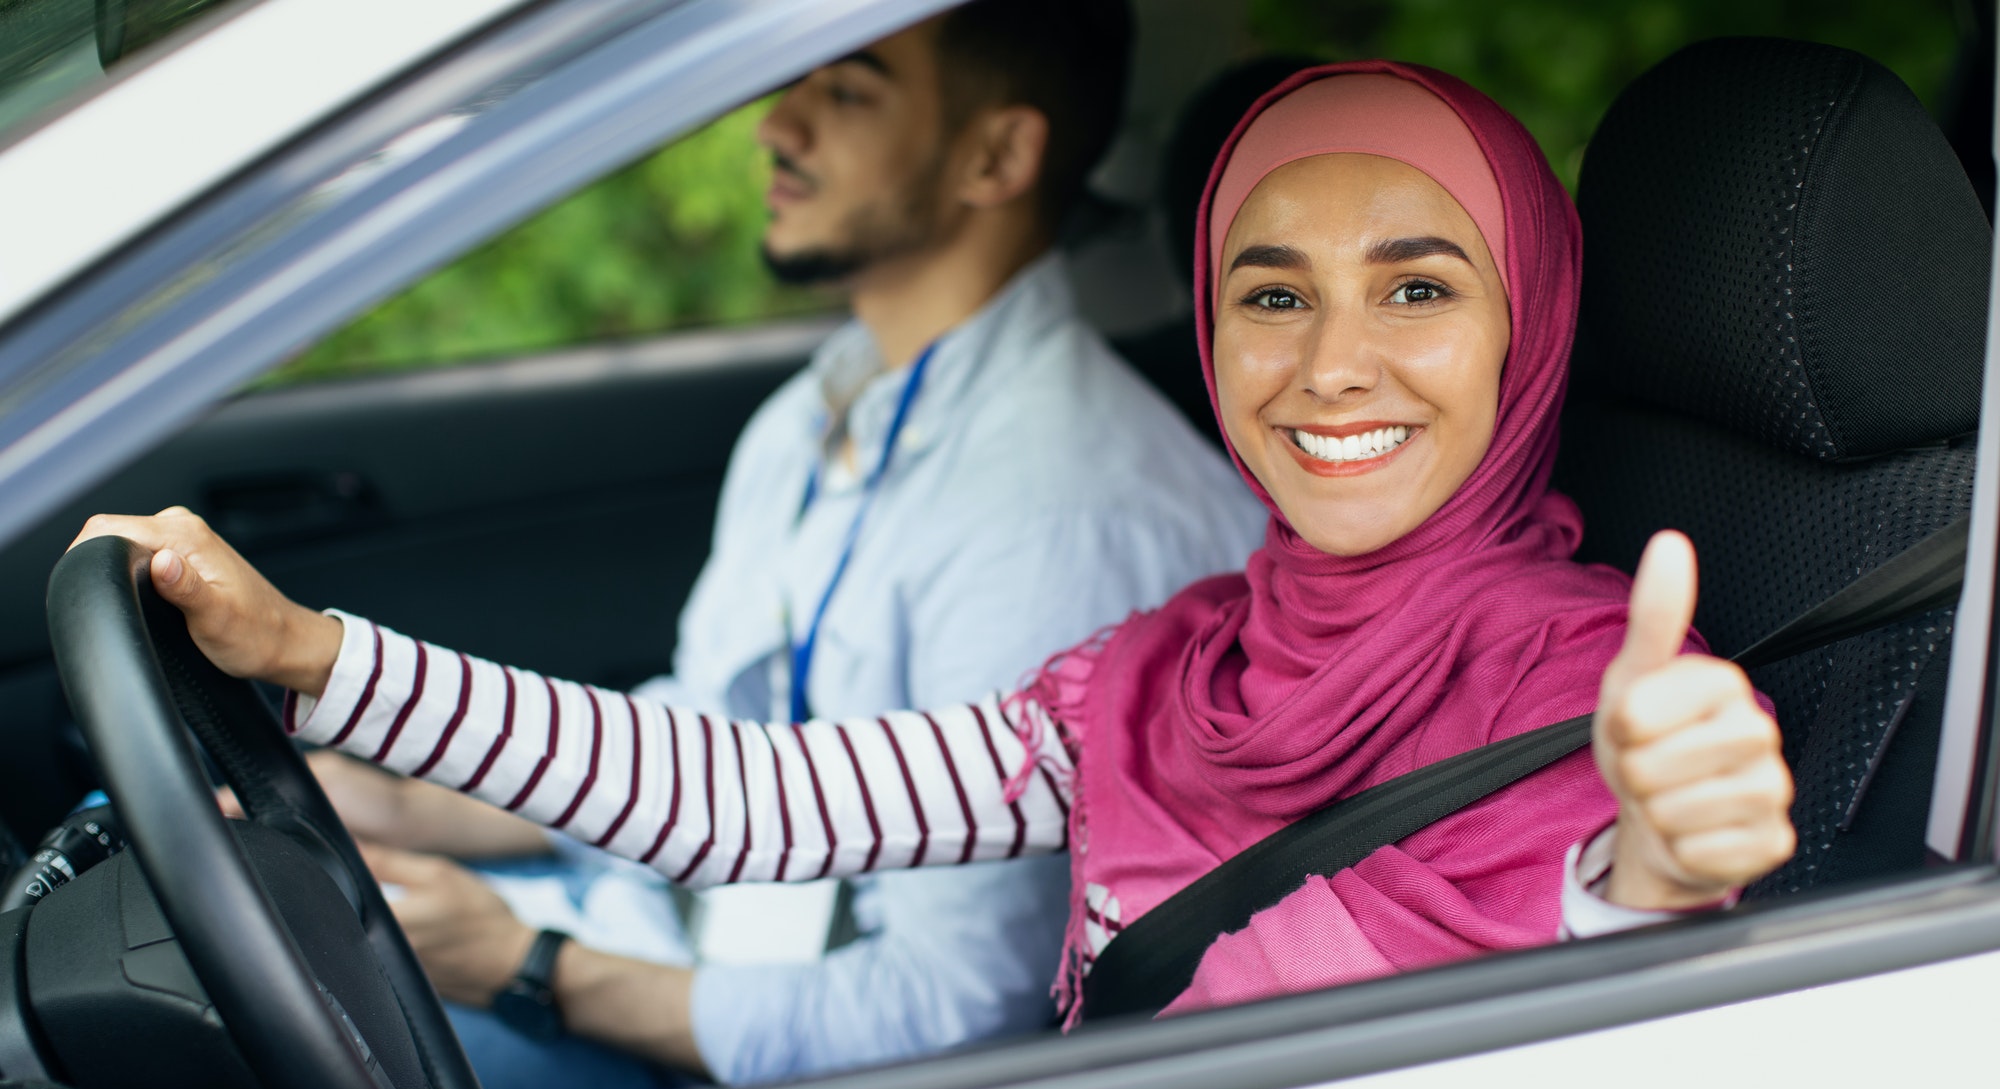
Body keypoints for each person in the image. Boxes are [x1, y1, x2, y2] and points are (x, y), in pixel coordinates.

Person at [82, 61, 1794, 1036]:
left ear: (1532, 326)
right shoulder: (1168, 666)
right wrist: (318, 660)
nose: (1331, 361)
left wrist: (1653, 874)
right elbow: (757, 797)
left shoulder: (1609, 687)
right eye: (1272, 294)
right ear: (1209, 325)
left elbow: (1601, 1041)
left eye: (1418, 286)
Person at [280, 0, 1265, 1089]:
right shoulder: (815, 414)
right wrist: (410, 805)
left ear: (996, 154)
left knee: (275, 1071)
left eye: (846, 90)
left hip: (778, 1088)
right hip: (660, 930)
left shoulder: (1061, 514)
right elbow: (717, 733)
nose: (773, 125)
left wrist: (529, 969)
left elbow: (954, 1010)